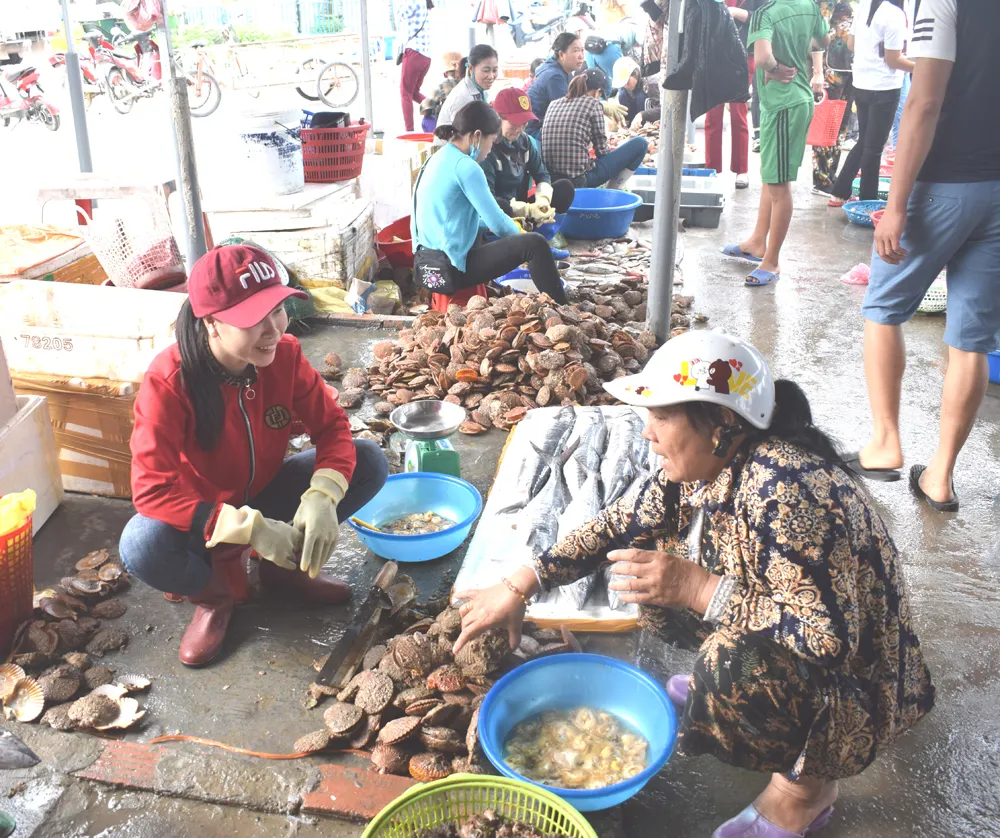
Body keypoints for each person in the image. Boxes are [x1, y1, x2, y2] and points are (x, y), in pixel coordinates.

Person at [453, 330, 934, 838]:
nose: (647, 434)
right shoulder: (709, 463)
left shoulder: (786, 491)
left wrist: (701, 590)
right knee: (653, 576)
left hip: (856, 686)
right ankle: (739, 691)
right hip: (788, 627)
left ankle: (805, 790)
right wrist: (520, 584)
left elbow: (829, 640)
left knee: (726, 664)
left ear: (722, 422)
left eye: (661, 417)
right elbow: (618, 524)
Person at [120, 245, 390, 667]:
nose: (273, 329)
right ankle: (214, 597)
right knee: (141, 544)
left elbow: (333, 427)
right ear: (211, 322)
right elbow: (152, 491)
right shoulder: (169, 381)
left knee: (369, 460)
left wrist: (322, 494)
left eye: (277, 309)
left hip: (264, 491)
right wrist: (248, 528)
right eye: (252, 319)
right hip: (201, 516)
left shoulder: (284, 356)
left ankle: (284, 573)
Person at [855, 0, 1000, 512]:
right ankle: (940, 476)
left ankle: (885, 443)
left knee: (882, 307)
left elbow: (924, 103)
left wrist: (895, 205)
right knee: (971, 339)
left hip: (945, 184)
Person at [412, 100, 568, 305]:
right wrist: (522, 234)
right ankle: (564, 309)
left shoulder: (437, 158)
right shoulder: (467, 167)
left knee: (504, 229)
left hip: (426, 262)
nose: (490, 149)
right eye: (492, 141)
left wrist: (519, 221)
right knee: (535, 245)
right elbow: (499, 225)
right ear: (477, 136)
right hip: (450, 268)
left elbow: (463, 218)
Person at [721, 0, 829, 285]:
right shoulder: (810, 6)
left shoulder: (766, 15)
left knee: (779, 186)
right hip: (790, 101)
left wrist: (776, 67)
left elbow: (763, 57)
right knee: (771, 177)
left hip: (784, 104)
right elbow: (823, 39)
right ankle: (758, 241)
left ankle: (772, 261)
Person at [826, 0, 913, 206]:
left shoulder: (865, 6)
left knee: (864, 141)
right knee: (874, 148)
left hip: (862, 83)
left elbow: (851, 44)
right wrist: (921, 68)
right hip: (884, 87)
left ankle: (839, 192)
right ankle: (868, 203)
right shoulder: (894, 14)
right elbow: (893, 60)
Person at [541, 68, 649, 190]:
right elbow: (602, 151)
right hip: (578, 181)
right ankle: (611, 192)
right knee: (641, 144)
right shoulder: (593, 104)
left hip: (551, 180)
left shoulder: (554, 104)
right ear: (598, 92)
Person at [481, 87, 576, 224]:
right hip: (499, 212)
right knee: (502, 207)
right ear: (497, 118)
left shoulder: (524, 141)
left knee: (565, 187)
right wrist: (527, 210)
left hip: (523, 204)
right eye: (514, 124)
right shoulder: (487, 148)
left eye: (524, 123)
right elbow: (487, 199)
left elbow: (542, 174)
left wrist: (543, 200)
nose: (519, 129)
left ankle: (543, 226)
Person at [705, 0, 760, 189]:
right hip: (713, 53)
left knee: (739, 115)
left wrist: (738, 13)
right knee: (712, 115)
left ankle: (741, 169)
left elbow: (763, 18)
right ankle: (711, 169)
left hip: (743, 55)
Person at [811, 1, 858, 195]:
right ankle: (820, 179)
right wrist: (818, 71)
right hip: (830, 68)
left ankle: (831, 174)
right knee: (827, 123)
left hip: (850, 66)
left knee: (841, 126)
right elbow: (818, 30)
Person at [527, 33, 595, 138]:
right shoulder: (554, 76)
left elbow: (578, 97)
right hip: (536, 134)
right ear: (561, 55)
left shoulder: (564, 72)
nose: (581, 56)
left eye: (582, 50)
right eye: (575, 51)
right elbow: (570, 112)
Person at [435, 44, 499, 138]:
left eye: (495, 70)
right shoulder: (463, 98)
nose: (491, 76)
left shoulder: (479, 90)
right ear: (470, 69)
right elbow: (464, 140)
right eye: (486, 70)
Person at [397, 0, 432, 133]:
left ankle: (409, 131)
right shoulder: (425, 3)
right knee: (413, 92)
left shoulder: (414, 1)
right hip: (426, 56)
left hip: (414, 53)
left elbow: (400, 15)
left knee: (405, 93)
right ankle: (436, 108)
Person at [583, 17, 641, 96]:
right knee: (622, 79)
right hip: (608, 48)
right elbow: (643, 41)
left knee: (594, 82)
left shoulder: (615, 27)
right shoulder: (636, 28)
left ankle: (600, 102)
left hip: (590, 49)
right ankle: (624, 104)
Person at [419, 50, 463, 134]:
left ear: (446, 72)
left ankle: (434, 139)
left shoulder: (444, 85)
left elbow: (426, 106)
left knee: (427, 118)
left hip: (449, 128)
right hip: (468, 126)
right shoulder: (470, 83)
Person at [612, 56, 646, 126]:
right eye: (623, 84)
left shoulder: (649, 82)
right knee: (622, 95)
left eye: (627, 82)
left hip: (647, 114)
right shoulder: (624, 90)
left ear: (636, 73)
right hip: (632, 115)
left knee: (640, 97)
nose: (626, 86)